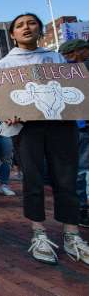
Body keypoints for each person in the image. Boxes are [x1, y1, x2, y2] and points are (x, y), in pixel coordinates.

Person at [0, 13, 88, 265]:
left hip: (61, 125)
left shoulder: (55, 58)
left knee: (67, 177)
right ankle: (39, 233)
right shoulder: (4, 65)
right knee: (33, 179)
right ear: (12, 35)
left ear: (41, 29)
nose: (26, 28)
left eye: (32, 23)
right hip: (28, 129)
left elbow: (75, 90)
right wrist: (7, 115)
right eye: (19, 25)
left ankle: (72, 234)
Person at [59, 39, 89, 228]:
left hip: (78, 126)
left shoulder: (68, 71)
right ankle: (81, 209)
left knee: (80, 170)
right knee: (81, 170)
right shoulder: (71, 70)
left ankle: (81, 209)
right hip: (79, 126)